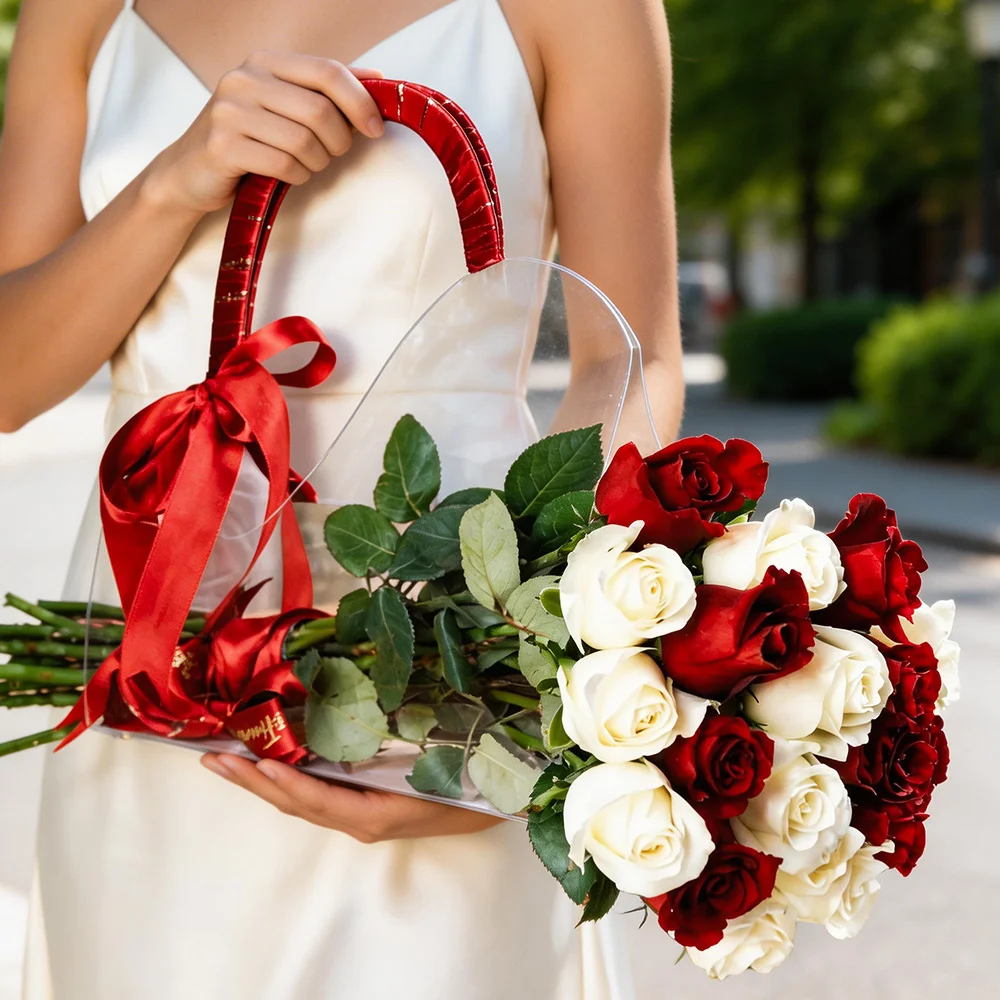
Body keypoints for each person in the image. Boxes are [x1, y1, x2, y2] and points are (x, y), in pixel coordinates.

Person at [0, 1, 683, 996]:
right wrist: (170, 187)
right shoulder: (78, 12)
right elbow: (11, 381)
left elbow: (628, 362)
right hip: (159, 658)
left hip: (449, 669)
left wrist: (527, 698)